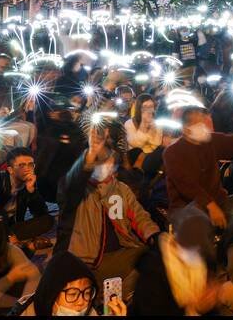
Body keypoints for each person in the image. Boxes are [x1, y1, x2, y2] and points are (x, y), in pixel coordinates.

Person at [56, 125, 161, 292]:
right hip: (85, 259)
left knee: (155, 258)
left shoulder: (120, 189)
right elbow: (73, 182)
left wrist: (154, 235)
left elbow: (139, 216)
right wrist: (90, 155)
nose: (103, 164)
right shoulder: (76, 189)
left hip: (121, 252)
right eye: (98, 160)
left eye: (107, 160)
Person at [163, 105, 233, 223]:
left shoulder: (210, 140)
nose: (204, 126)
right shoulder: (172, 152)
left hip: (218, 202)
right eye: (199, 123)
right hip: (187, 210)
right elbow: (186, 185)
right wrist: (209, 204)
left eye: (204, 121)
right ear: (185, 129)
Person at [18, 250, 126, 317]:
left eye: (87, 293)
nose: (81, 302)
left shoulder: (89, 311)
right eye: (72, 294)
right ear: (52, 295)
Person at [0, 147, 54, 243]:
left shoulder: (30, 182)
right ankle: (6, 239)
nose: (27, 169)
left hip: (13, 226)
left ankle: (7, 239)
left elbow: (41, 213)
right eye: (21, 165)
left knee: (48, 220)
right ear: (10, 170)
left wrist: (31, 191)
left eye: (30, 165)